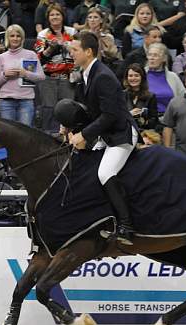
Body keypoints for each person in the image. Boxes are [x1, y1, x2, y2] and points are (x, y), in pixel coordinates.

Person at [61, 31, 138, 244]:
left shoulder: (102, 76)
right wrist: (70, 127)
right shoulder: (86, 75)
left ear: (88, 51)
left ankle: (127, 227)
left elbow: (111, 115)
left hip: (121, 134)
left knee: (105, 173)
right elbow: (89, 111)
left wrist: (84, 135)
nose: (71, 53)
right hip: (106, 135)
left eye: (75, 50)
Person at [34, 3, 76, 133]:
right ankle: (48, 135)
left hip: (67, 77)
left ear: (63, 16)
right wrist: (50, 48)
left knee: (67, 109)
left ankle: (67, 136)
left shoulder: (72, 32)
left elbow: (77, 51)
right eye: (52, 14)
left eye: (57, 14)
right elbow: (39, 58)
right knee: (48, 108)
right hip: (48, 78)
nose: (55, 17)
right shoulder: (43, 34)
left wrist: (66, 45)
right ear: (48, 18)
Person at [0, 24, 46, 127]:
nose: (15, 38)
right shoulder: (1, 57)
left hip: (26, 101)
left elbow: (41, 77)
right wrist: (5, 75)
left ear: (22, 38)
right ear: (7, 38)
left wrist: (26, 74)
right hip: (6, 102)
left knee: (25, 135)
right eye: (12, 36)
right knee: (8, 134)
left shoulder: (31, 54)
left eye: (18, 36)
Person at [145, 43, 185, 116]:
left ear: (164, 58)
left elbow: (183, 98)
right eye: (150, 55)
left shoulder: (173, 77)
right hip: (147, 119)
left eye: (155, 55)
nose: (151, 58)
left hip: (170, 119)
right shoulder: (141, 75)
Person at [122, 63, 158, 132]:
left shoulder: (151, 96)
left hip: (145, 133)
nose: (133, 78)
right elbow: (117, 118)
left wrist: (142, 120)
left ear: (142, 77)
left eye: (136, 75)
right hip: (125, 133)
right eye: (130, 76)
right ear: (126, 78)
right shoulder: (121, 95)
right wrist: (129, 115)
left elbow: (154, 121)